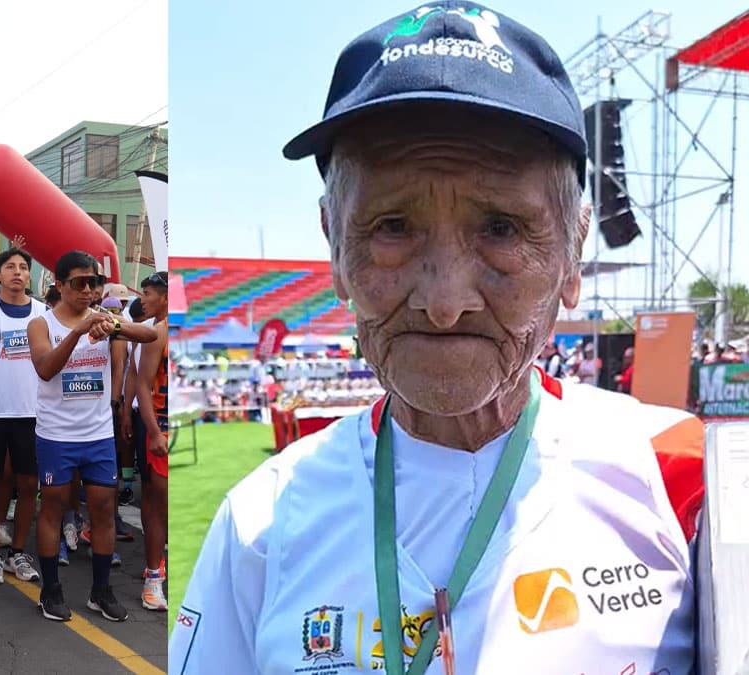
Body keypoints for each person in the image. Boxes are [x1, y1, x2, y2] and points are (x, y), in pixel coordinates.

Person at [170, 5, 700, 672]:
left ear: (573, 253)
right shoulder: (260, 524)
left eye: (501, 228)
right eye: (393, 227)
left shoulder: (679, 477)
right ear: (335, 246)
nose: (445, 303)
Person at [28, 251, 156, 623]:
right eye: (79, 282)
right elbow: (46, 369)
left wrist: (113, 326)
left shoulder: (105, 319)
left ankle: (101, 590)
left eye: (94, 283)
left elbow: (149, 334)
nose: (88, 290)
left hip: (98, 435)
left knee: (102, 508)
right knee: (52, 509)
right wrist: (78, 332)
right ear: (60, 285)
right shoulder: (41, 324)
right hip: (56, 435)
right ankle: (51, 590)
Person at [0, 247, 46, 585]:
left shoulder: (43, 314)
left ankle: (17, 552)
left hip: (33, 412)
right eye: (10, 267)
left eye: (23, 267)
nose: (18, 272)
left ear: (29, 275)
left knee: (28, 484)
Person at [133, 272, 168, 611]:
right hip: (165, 427)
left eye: (148, 293)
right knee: (160, 503)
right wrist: (154, 432)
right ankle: (153, 577)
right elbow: (142, 385)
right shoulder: (158, 334)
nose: (142, 299)